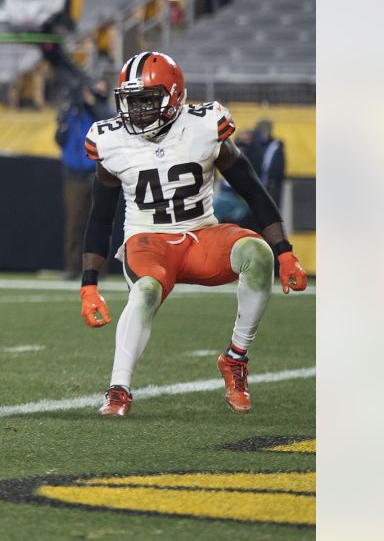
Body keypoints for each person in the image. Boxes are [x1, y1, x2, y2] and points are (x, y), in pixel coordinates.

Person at [79, 51, 308, 417]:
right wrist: (89, 285)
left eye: (146, 100)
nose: (135, 111)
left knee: (258, 254)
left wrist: (284, 251)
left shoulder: (204, 126)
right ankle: (118, 389)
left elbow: (252, 189)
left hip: (202, 234)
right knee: (146, 290)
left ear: (173, 97)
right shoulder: (110, 141)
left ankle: (235, 358)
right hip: (148, 240)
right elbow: (101, 217)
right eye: (130, 101)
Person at [54, 78, 111, 280]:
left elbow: (109, 119)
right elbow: (60, 139)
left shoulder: (99, 109)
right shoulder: (69, 111)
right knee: (74, 223)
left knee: (98, 222)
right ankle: (72, 266)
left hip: (97, 171)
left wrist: (93, 102)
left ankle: (98, 268)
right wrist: (62, 119)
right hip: (74, 174)